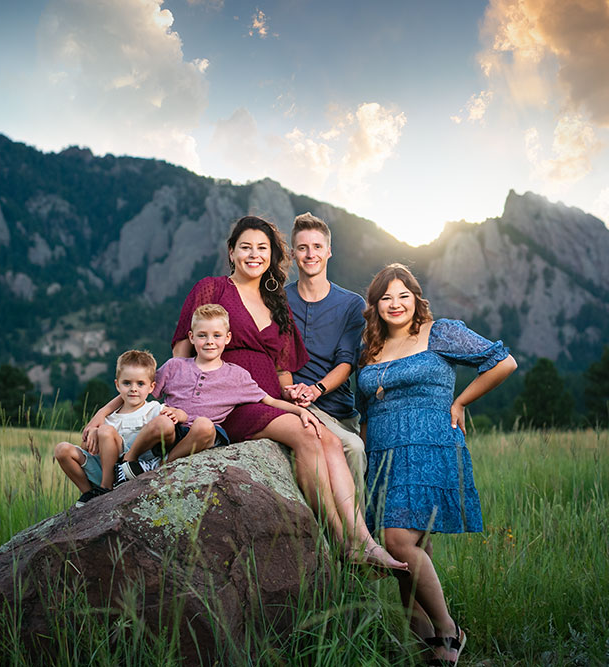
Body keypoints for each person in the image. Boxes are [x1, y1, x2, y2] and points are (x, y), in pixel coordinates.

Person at [86, 215, 406, 571]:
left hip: (267, 395)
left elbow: (282, 368)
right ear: (232, 251)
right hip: (229, 401)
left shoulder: (276, 301)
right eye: (246, 247)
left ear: (271, 255)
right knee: (307, 437)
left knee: (326, 438)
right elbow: (178, 357)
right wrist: (109, 414)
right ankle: (344, 538)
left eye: (262, 248)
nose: (254, 255)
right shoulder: (212, 288)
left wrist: (296, 397)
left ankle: (359, 540)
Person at [356, 263, 517, 664]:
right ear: (375, 306)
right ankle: (425, 649)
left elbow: (503, 362)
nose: (396, 304)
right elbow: (362, 409)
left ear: (416, 299)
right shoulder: (369, 349)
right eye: (386, 298)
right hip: (381, 452)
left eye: (403, 295)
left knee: (397, 542)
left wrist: (460, 401)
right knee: (409, 552)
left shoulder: (439, 332)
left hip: (429, 446)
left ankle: (449, 630)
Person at [115, 303, 323, 477]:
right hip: (171, 430)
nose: (210, 342)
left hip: (201, 436)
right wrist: (100, 415)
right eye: (202, 335)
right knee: (162, 420)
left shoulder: (237, 376)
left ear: (228, 338)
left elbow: (269, 401)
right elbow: (138, 389)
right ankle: (126, 463)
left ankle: (160, 468)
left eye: (216, 335)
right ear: (192, 337)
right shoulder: (174, 366)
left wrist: (301, 411)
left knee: (204, 425)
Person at [281, 212, 368, 493]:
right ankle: (350, 536)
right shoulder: (279, 301)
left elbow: (347, 362)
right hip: (295, 405)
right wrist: (290, 391)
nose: (310, 254)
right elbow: (278, 357)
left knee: (355, 448)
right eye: (303, 248)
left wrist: (317, 389)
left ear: (329, 251)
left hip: (338, 409)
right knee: (349, 449)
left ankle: (358, 532)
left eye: (317, 247)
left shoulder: (352, 304)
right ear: (293, 254)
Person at [54, 350, 165, 507]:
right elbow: (87, 448)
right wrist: (94, 433)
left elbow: (171, 422)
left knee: (105, 431)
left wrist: (177, 414)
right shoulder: (108, 418)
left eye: (140, 384)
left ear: (151, 387)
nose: (133, 389)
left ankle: (106, 488)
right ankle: (90, 494)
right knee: (62, 449)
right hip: (103, 468)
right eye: (127, 383)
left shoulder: (153, 409)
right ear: (117, 385)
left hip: (129, 471)